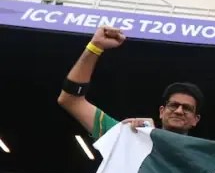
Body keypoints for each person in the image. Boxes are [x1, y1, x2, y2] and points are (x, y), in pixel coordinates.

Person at [57, 26, 204, 139]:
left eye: (187, 108)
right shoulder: (131, 136)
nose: (178, 111)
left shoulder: (203, 158)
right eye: (173, 105)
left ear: (196, 120)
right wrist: (95, 47)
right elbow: (70, 100)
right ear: (161, 111)